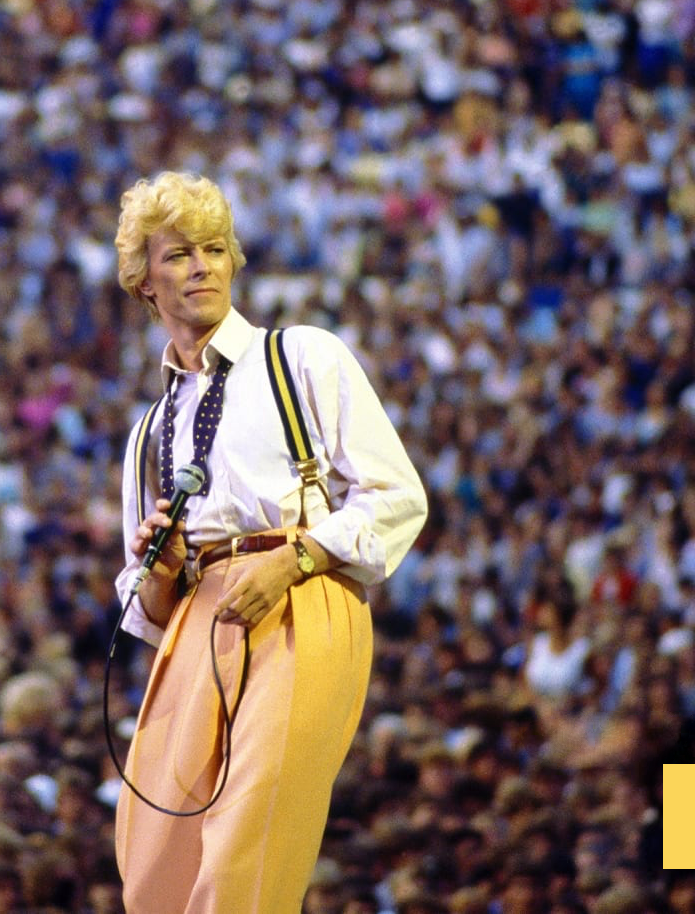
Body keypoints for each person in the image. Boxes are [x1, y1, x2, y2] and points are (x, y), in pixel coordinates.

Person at [110, 171, 428, 912]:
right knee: (154, 856)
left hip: (300, 596)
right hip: (198, 618)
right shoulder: (148, 432)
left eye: (215, 249)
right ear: (143, 282)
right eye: (180, 253)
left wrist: (297, 558)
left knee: (245, 846)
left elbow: (399, 496)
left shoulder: (301, 357)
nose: (202, 266)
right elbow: (146, 604)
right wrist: (161, 569)